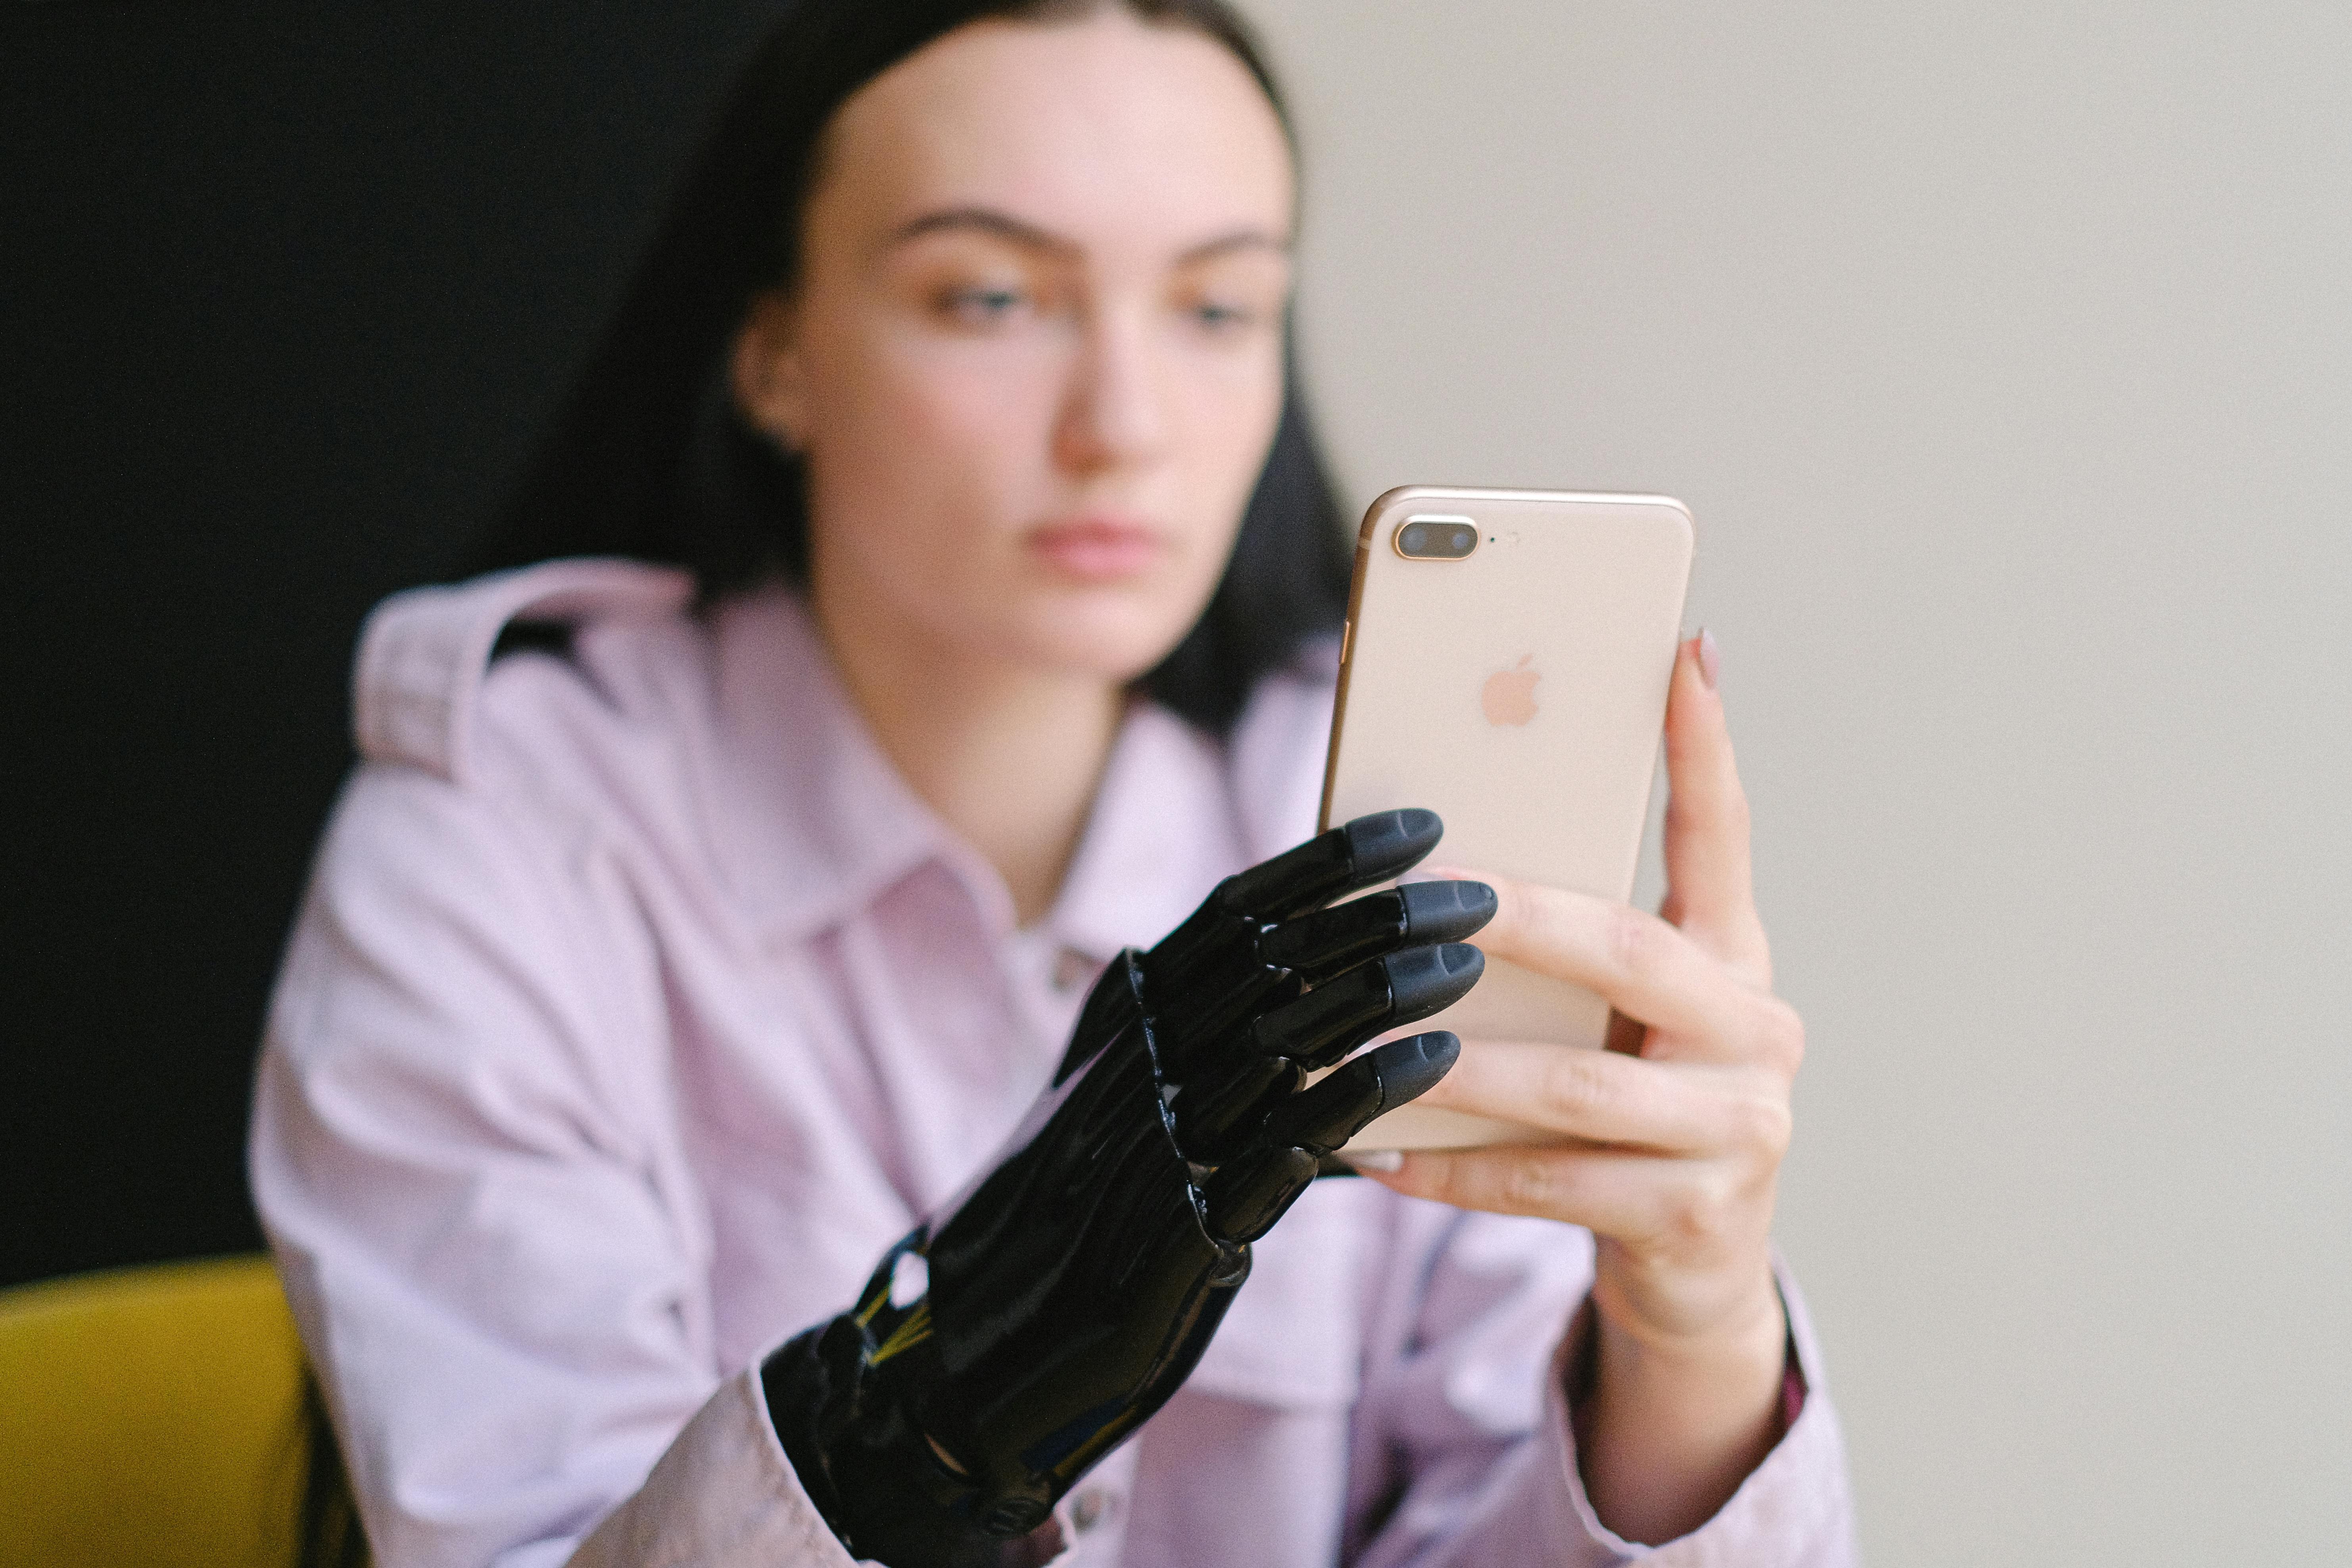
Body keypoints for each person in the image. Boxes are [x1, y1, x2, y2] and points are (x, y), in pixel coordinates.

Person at [250, 1, 1857, 1564]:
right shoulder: (499, 847)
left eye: (1217, 309)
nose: (1126, 425)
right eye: (992, 299)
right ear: (771, 351)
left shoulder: (1372, 837)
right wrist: (931, 1400)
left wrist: (1689, 1327)